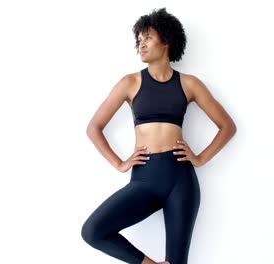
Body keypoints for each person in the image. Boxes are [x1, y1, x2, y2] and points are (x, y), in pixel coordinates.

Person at [80, 7, 237, 264]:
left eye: (147, 38)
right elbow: (93, 127)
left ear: (166, 40)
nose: (141, 44)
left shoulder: (189, 84)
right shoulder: (129, 83)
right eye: (139, 40)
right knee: (93, 231)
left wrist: (199, 158)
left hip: (181, 180)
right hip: (145, 178)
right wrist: (119, 163)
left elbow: (227, 126)